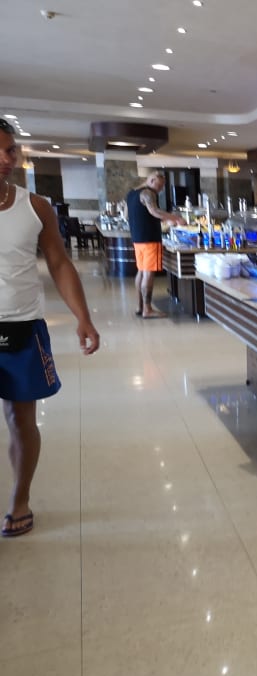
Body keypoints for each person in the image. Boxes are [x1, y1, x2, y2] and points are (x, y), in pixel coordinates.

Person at [0, 117, 100, 537]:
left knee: (21, 420)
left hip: (22, 328)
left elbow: (59, 263)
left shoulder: (35, 206)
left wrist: (83, 317)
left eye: (10, 150)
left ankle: (20, 498)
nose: (6, 159)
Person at [126, 171, 184, 318]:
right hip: (149, 238)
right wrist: (176, 218)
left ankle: (140, 307)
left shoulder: (131, 193)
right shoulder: (148, 193)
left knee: (141, 271)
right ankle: (147, 310)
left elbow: (127, 215)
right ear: (151, 180)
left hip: (137, 238)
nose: (160, 189)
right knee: (148, 273)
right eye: (159, 185)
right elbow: (154, 211)